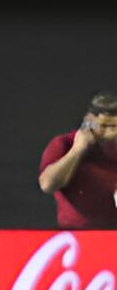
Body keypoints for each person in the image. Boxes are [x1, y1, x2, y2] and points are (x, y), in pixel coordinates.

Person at [38, 91, 117, 229]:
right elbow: (47, 184)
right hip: (77, 235)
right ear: (89, 121)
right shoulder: (64, 144)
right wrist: (78, 149)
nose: (108, 133)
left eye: (114, 127)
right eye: (103, 126)